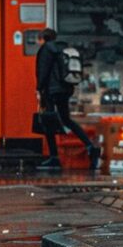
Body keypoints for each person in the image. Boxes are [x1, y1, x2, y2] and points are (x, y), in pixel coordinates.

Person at [35, 28, 100, 170]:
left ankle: (54, 157)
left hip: (51, 90)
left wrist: (39, 89)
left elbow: (43, 71)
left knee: (49, 122)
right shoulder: (63, 49)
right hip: (65, 89)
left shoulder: (46, 49)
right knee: (66, 120)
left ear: (42, 38)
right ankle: (90, 146)